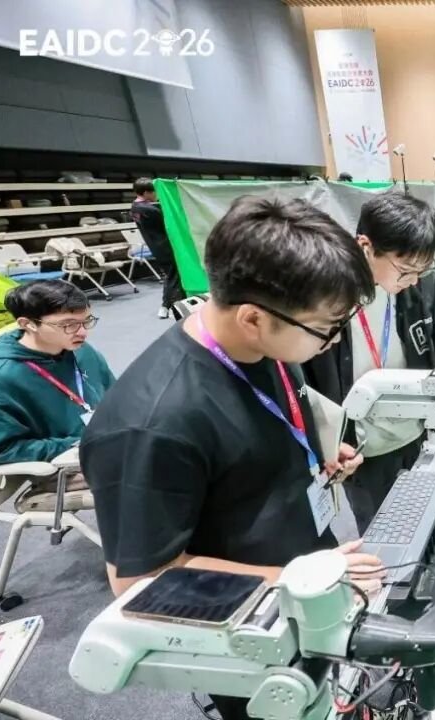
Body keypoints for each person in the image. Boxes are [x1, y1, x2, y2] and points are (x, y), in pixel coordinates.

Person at [80, 196, 382, 720]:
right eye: (327, 327)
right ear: (253, 317)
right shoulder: (151, 424)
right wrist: (287, 578)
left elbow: (257, 428)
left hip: (307, 576)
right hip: (249, 628)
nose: (334, 340)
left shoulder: (261, 346)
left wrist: (317, 449)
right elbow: (139, 579)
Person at [303, 192, 435, 534]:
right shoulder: (324, 299)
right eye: (406, 269)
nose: (414, 279)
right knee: (381, 534)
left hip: (417, 433)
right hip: (359, 449)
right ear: (366, 247)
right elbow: (306, 382)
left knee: (430, 524)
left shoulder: (422, 289)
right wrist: (326, 443)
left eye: (422, 269)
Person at [0, 280, 115, 466]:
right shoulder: (1, 376)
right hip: (62, 464)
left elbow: (117, 397)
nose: (83, 333)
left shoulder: (81, 350)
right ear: (28, 324)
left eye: (87, 321)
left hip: (108, 445)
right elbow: (2, 451)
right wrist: (76, 445)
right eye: (68, 324)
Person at [129, 177, 186, 319]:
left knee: (170, 276)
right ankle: (172, 307)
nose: (156, 195)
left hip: (155, 246)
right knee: (174, 276)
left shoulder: (134, 207)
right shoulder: (150, 209)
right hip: (164, 246)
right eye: (154, 192)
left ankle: (166, 306)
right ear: (146, 193)